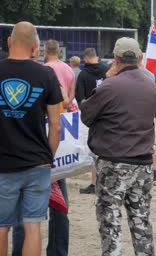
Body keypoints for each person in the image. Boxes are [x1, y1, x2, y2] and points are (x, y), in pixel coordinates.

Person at [80, 37, 156, 256]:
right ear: (139, 57)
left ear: (115, 58)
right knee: (141, 220)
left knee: (110, 220)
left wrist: (107, 80)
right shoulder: (149, 85)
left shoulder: (111, 85)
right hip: (143, 162)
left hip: (114, 161)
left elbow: (86, 114)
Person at [0, 21, 62, 256]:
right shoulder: (46, 75)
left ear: (9, 42)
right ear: (36, 47)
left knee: (1, 227)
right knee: (32, 226)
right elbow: (55, 127)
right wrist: (48, 157)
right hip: (38, 162)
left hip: (3, 163)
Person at [43, 39, 76, 255]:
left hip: (48, 128)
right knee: (59, 200)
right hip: (63, 131)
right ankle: (58, 249)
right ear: (60, 51)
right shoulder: (69, 70)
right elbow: (69, 99)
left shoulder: (44, 70)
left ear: (45, 51)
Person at [77, 47, 108, 194]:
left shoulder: (83, 75)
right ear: (97, 57)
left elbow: (80, 98)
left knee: (95, 150)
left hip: (92, 117)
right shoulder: (107, 71)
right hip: (109, 115)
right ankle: (104, 181)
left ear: (85, 58)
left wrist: (87, 113)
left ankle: (95, 182)